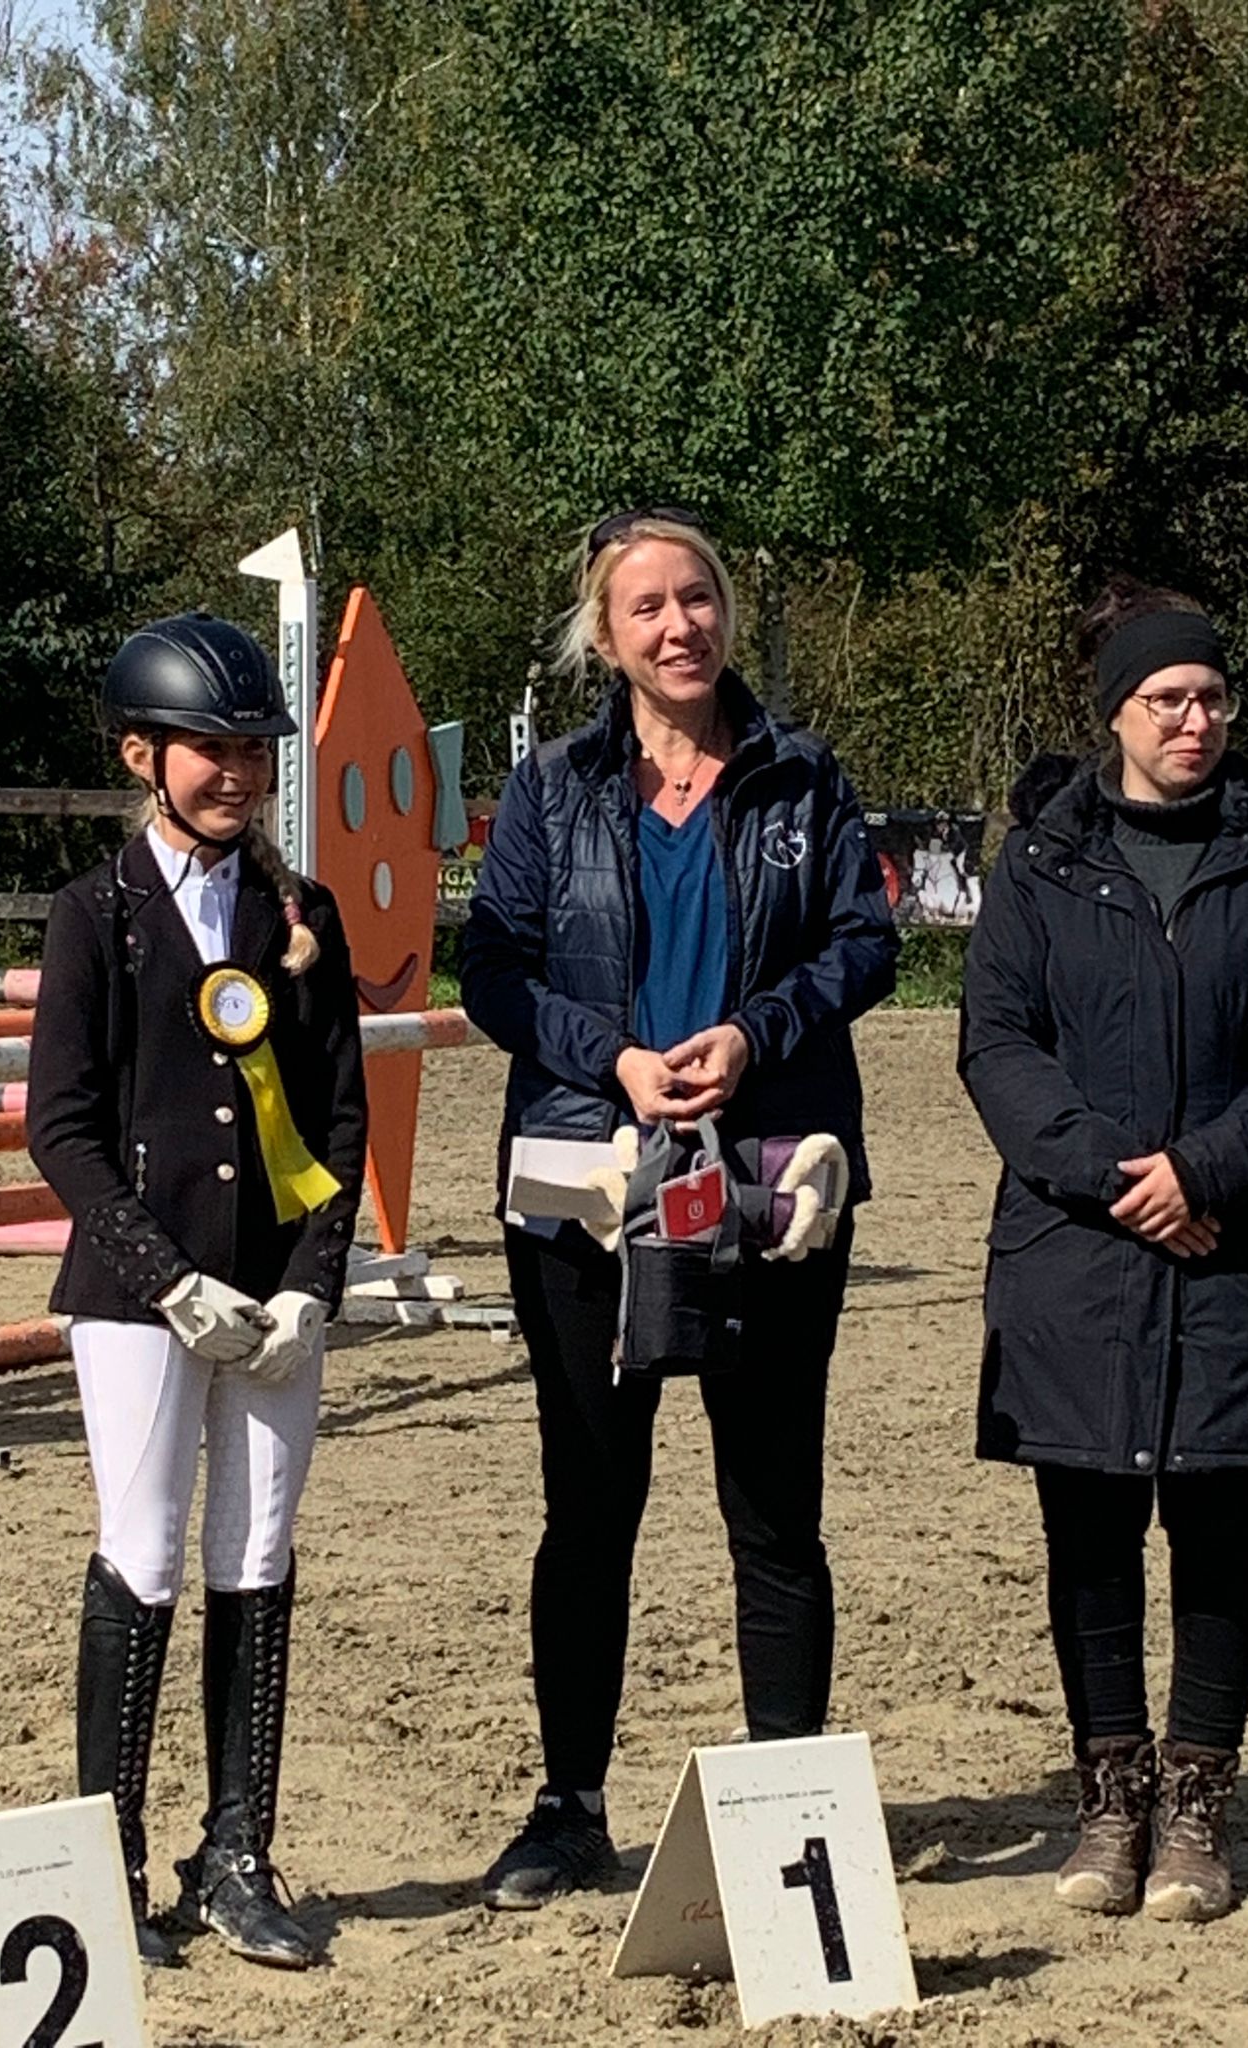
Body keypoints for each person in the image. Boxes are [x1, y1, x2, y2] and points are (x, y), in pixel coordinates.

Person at [462, 507, 899, 1909]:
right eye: (646, 606)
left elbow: (867, 943)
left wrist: (757, 1036)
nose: (678, 626)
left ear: (726, 611)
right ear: (606, 636)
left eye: (697, 597)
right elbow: (494, 974)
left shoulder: (804, 778)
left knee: (774, 1509)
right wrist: (615, 1061)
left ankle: (786, 1804)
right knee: (590, 1509)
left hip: (768, 1184)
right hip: (588, 1193)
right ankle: (569, 1808)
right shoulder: (549, 791)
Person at [959, 576, 1248, 1923]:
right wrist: (1118, 1178)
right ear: (1116, 713)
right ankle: (1108, 1796)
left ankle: (1197, 1805)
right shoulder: (1038, 862)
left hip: (1240, 1244)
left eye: (1212, 698)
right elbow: (999, 1045)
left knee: (1220, 1526)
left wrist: (1207, 1169)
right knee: (1087, 1532)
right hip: (1076, 1252)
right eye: (1168, 699)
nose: (1196, 721)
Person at [27, 613, 367, 1969]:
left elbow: (339, 1113)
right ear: (142, 756)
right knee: (147, 1548)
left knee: (259, 1552)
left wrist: (317, 1281)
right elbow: (60, 1126)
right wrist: (164, 1278)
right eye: (208, 750)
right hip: (137, 1294)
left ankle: (235, 1854)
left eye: (252, 750)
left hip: (273, 1293)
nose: (236, 773)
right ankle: (104, 1857)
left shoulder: (303, 915)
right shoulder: (95, 917)